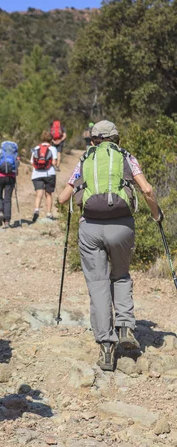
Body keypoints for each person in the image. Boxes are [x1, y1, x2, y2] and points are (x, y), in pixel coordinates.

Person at [58, 120, 163, 371]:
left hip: (91, 228)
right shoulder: (127, 157)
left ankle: (106, 347)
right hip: (122, 227)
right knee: (121, 276)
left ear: (93, 140)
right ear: (116, 139)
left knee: (98, 284)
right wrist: (157, 215)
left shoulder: (85, 159)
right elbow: (147, 190)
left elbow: (63, 198)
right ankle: (125, 327)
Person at [0, 140, 19, 229]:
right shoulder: (14, 155)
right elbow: (16, 169)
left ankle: (0, 212)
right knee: (8, 199)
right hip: (10, 178)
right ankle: (7, 221)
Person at [31, 131, 58, 222]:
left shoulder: (36, 148)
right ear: (51, 139)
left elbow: (32, 162)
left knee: (39, 194)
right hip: (49, 173)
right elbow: (54, 162)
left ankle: (36, 210)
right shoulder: (53, 149)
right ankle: (48, 214)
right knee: (48, 194)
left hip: (37, 174)